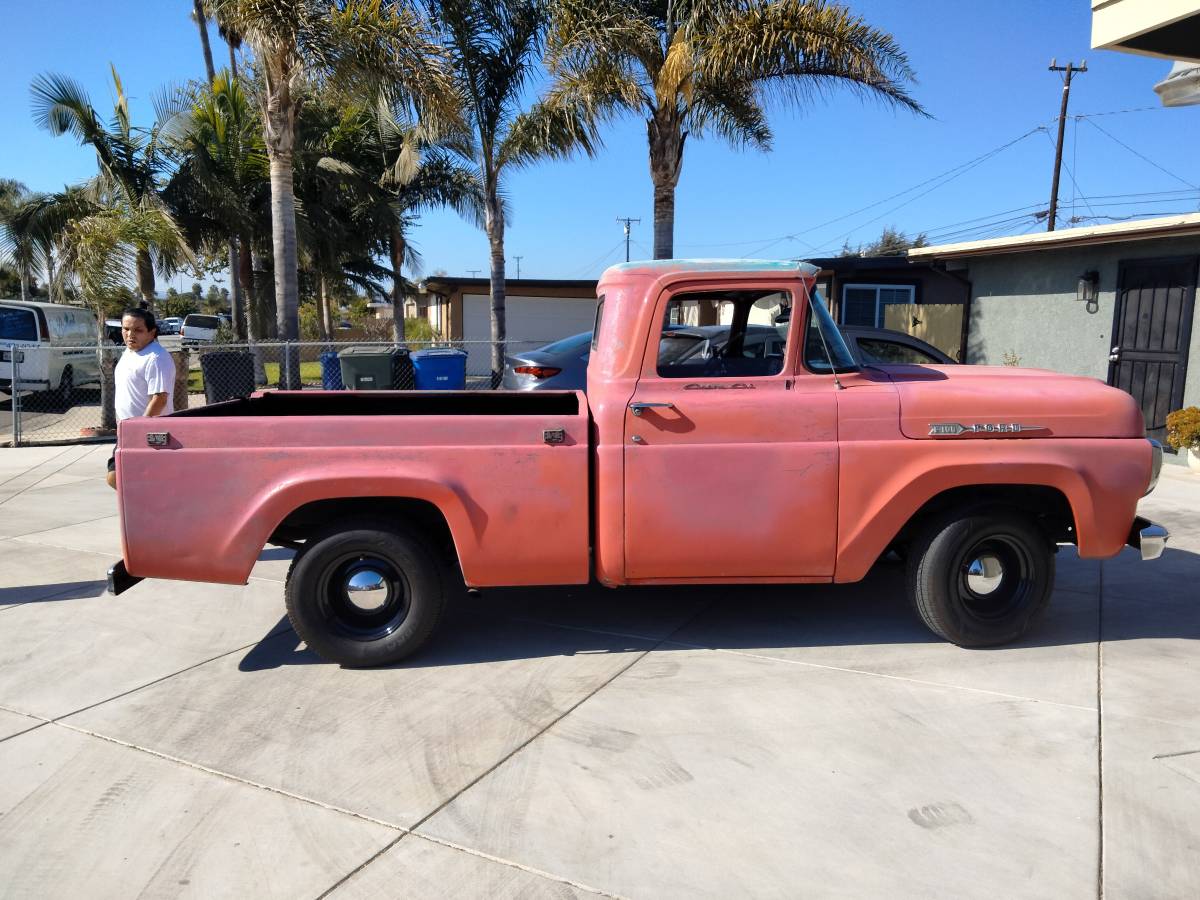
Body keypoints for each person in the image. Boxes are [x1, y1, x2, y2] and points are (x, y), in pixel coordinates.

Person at [106, 308, 176, 489]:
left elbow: (160, 398)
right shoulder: (129, 352)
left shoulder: (156, 358)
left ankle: (153, 512)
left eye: (138, 330)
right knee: (124, 479)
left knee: (118, 477)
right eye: (126, 329)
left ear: (152, 333)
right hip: (127, 431)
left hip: (148, 434)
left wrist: (139, 430)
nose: (130, 335)